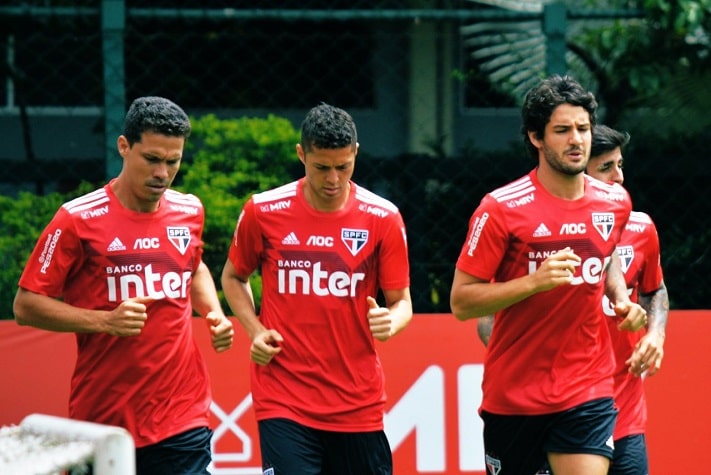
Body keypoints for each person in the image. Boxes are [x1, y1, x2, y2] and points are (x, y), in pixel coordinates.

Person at [13, 96, 234, 475]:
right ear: (124, 147)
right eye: (151, 159)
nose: (162, 173)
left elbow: (193, 268)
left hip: (183, 413)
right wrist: (106, 322)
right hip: (104, 418)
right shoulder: (77, 219)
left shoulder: (189, 210)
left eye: (173, 161)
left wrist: (213, 312)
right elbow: (26, 304)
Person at [449, 75, 648, 475]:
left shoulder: (615, 202)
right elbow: (461, 301)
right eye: (562, 130)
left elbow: (605, 255)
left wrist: (620, 297)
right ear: (536, 137)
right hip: (514, 395)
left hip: (586, 386)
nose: (577, 140)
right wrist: (534, 282)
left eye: (583, 129)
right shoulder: (501, 209)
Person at [221, 102, 412, 475]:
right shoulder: (263, 210)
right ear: (301, 155)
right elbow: (233, 277)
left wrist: (392, 321)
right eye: (321, 167)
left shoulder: (383, 217)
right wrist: (255, 330)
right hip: (283, 398)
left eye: (343, 166)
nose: (333, 179)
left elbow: (402, 301)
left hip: (357, 402)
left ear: (356, 153)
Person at [586, 124, 668, 475]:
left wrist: (655, 334)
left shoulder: (641, 227)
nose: (618, 177)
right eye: (606, 168)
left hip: (624, 403)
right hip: (563, 404)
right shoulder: (546, 230)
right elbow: (491, 321)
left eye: (620, 165)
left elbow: (655, 291)